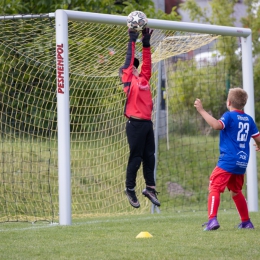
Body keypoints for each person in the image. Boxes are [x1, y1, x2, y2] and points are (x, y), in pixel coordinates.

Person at [194, 88, 260, 231]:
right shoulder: (249, 119)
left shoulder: (229, 116)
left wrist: (201, 111)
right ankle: (246, 222)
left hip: (228, 160)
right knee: (236, 191)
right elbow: (258, 138)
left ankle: (212, 220)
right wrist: (258, 146)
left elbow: (217, 125)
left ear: (229, 102)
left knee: (214, 186)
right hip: (242, 163)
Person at [118, 27, 160, 209]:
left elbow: (148, 62)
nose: (132, 66)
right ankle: (130, 188)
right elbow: (128, 61)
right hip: (134, 124)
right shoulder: (128, 82)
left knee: (150, 157)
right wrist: (132, 38)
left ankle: (150, 188)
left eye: (135, 65)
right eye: (129, 67)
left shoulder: (144, 78)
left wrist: (146, 42)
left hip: (147, 124)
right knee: (135, 158)